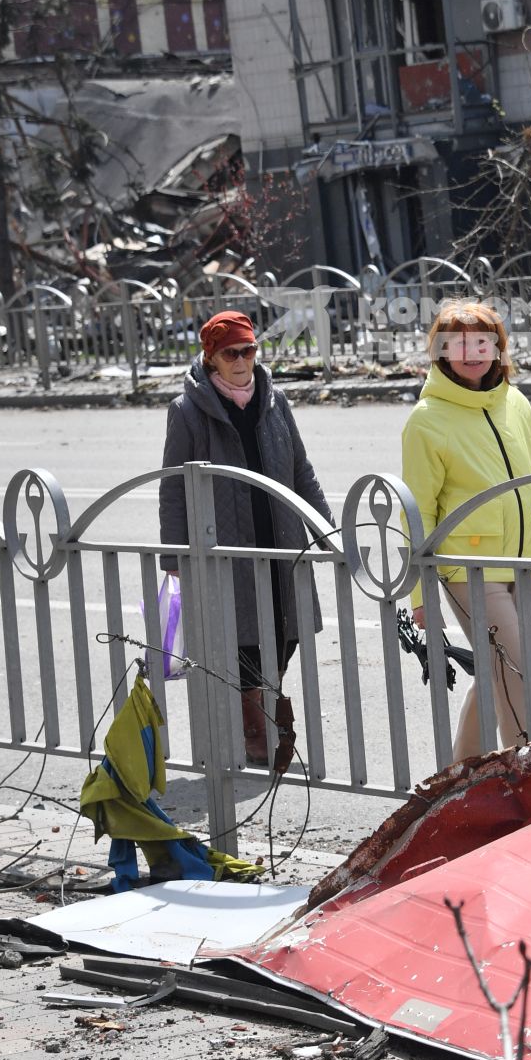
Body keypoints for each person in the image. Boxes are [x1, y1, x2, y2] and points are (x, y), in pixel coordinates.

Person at [159, 310, 333, 764]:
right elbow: (174, 487)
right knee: (242, 639)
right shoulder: (188, 412)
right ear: (211, 358)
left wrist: (326, 530)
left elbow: (301, 472)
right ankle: (257, 728)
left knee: (285, 631)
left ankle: (259, 717)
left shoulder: (276, 402)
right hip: (227, 548)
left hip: (280, 539)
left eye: (249, 350)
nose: (242, 361)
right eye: (231, 353)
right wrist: (174, 557)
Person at [401, 299, 531, 761]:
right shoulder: (426, 420)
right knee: (517, 669)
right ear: (440, 351)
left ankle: (462, 773)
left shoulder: (515, 402)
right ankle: (530, 771)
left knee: (498, 670)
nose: (471, 352)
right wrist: (420, 597)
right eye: (457, 343)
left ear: (498, 348)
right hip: (469, 570)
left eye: (482, 341)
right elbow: (416, 513)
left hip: (527, 562)